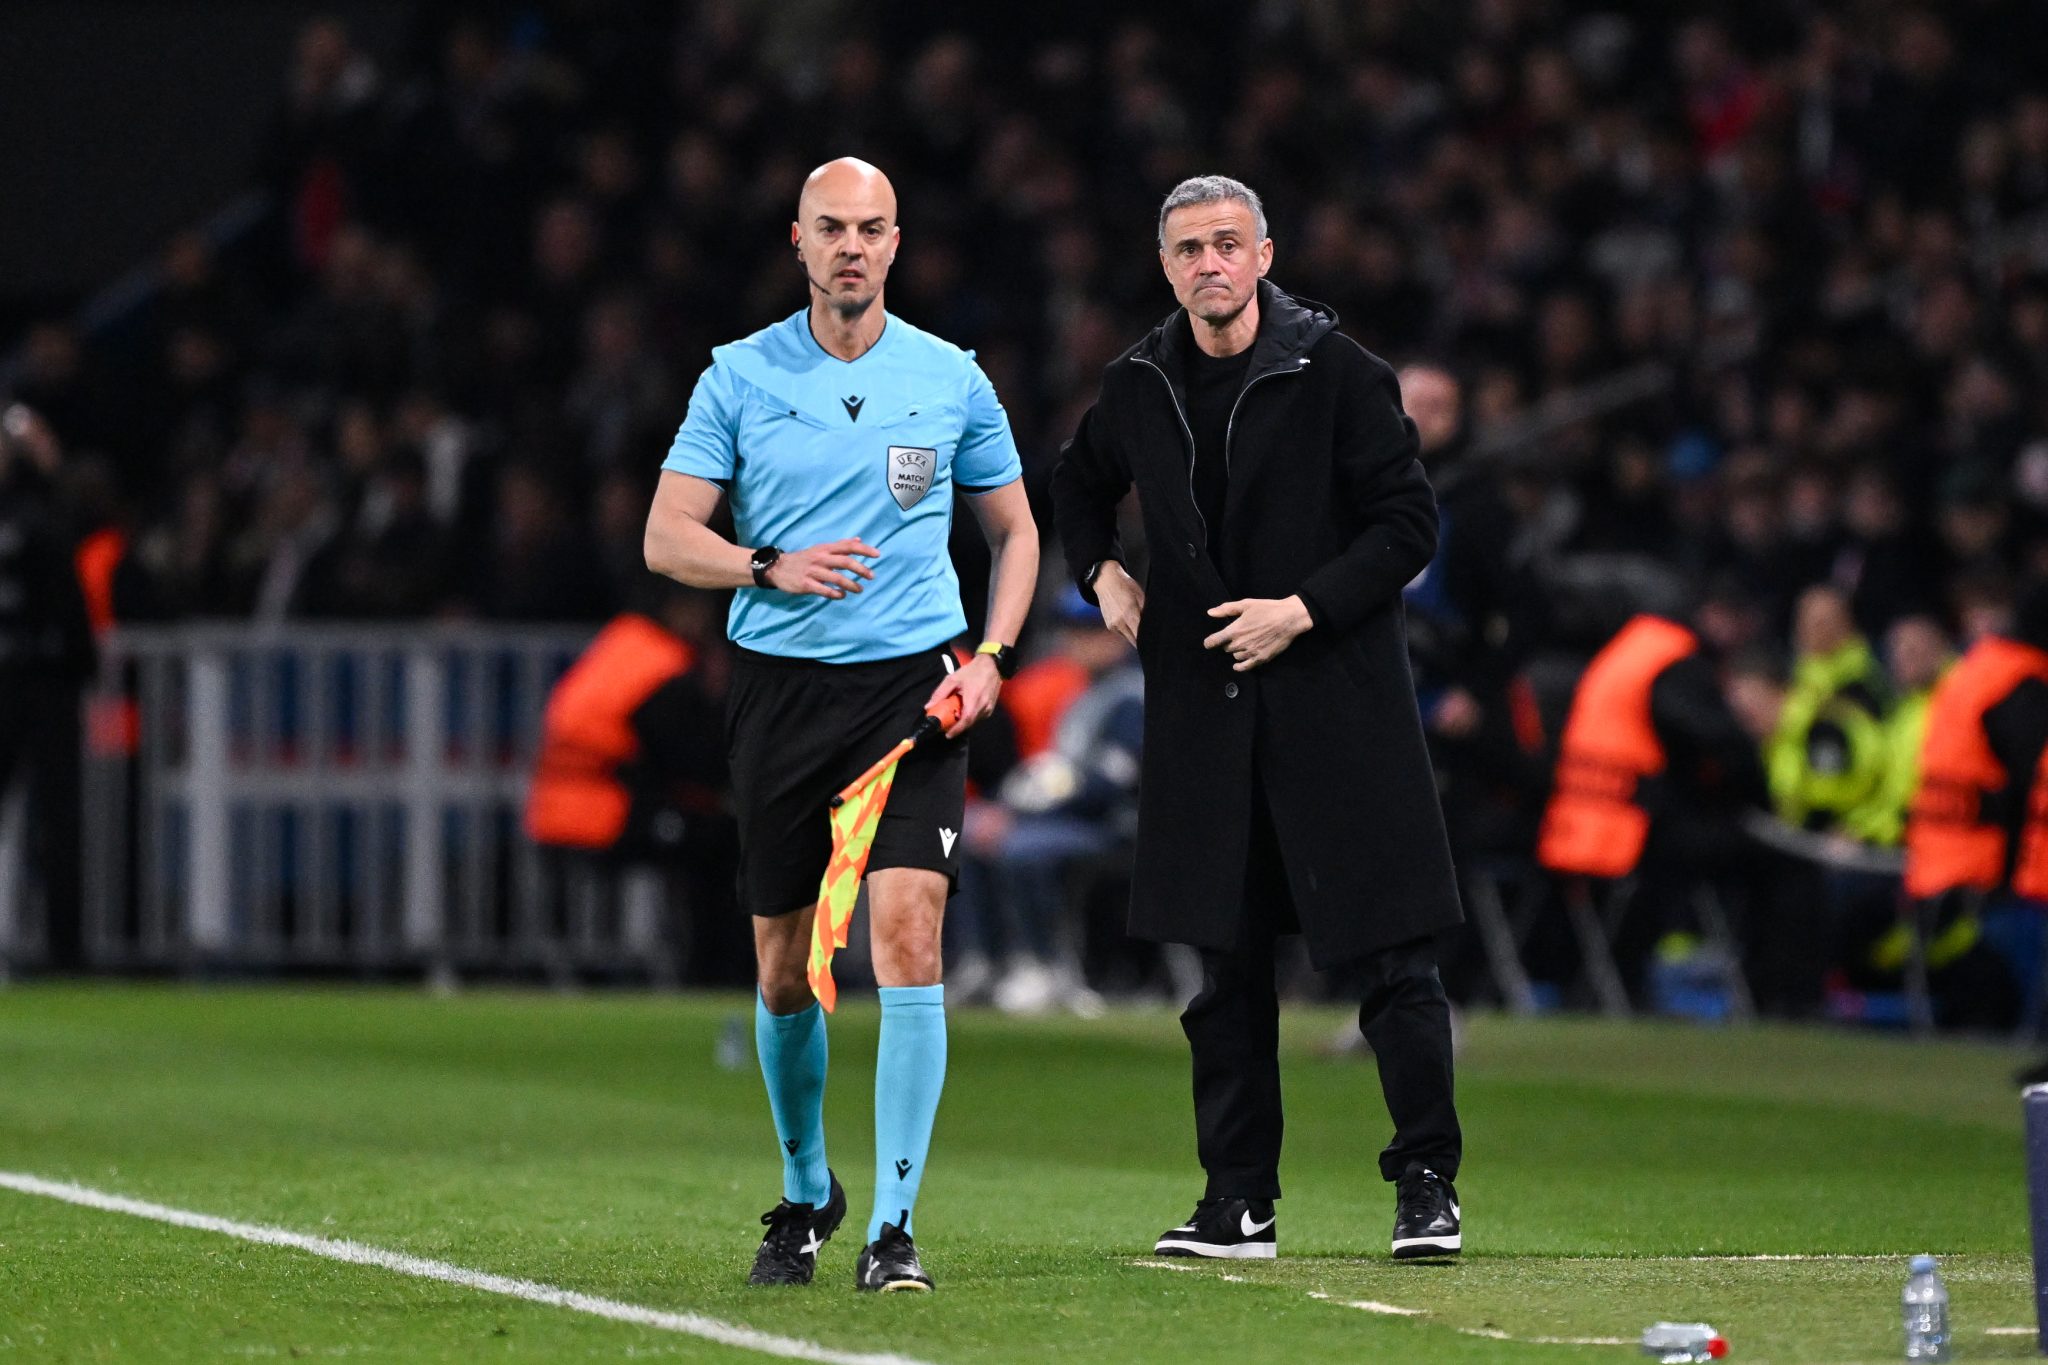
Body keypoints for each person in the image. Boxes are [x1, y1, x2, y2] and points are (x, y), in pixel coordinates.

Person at [1048, 175, 1465, 1261]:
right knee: (1222, 981)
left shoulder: (1335, 373)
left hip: (1338, 716)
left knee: (1392, 967)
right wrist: (1101, 574)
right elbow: (1075, 482)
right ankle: (1237, 1201)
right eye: (1188, 249)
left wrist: (1300, 610)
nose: (1208, 266)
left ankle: (1426, 1187)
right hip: (1207, 726)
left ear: (1265, 255)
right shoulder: (1137, 383)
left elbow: (1407, 524)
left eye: (1227, 244)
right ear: (1166, 267)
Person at [643, 158, 1038, 1292]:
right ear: (798, 243)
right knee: (782, 975)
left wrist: (994, 659)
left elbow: (1013, 535)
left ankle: (897, 1230)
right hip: (779, 695)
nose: (851, 246)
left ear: (896, 244)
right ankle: (810, 1190)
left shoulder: (951, 378)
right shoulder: (737, 376)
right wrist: (767, 565)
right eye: (832, 229)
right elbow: (666, 537)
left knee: (905, 937)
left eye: (871, 228)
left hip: (912, 693)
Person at [0, 404, 95, 972]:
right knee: (56, 818)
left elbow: (67, 572)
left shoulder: (40, 515)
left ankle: (65, 949)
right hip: (17, 683)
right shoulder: (31, 518)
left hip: (44, 681)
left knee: (60, 821)